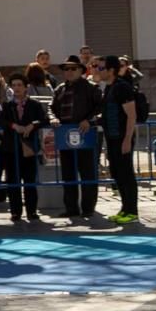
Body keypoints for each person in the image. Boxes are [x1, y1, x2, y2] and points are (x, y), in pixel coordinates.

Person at [49, 55, 102, 218]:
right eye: (66, 69)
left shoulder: (92, 88)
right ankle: (71, 209)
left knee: (88, 173)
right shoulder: (59, 89)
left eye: (73, 68)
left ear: (81, 70)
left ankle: (88, 209)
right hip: (66, 138)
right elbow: (51, 108)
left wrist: (89, 120)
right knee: (68, 174)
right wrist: (53, 118)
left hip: (87, 137)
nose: (69, 72)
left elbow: (101, 109)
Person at [0, 73, 49, 222]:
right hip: (11, 149)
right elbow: (0, 121)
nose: (17, 88)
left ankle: (32, 211)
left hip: (29, 147)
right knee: (13, 181)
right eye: (14, 85)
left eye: (19, 85)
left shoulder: (34, 104)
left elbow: (44, 119)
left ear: (26, 87)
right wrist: (14, 126)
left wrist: (32, 125)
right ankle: (15, 212)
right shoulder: (8, 105)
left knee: (29, 181)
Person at [100, 56, 139, 224]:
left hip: (122, 137)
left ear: (111, 70)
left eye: (101, 68)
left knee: (126, 174)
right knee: (116, 173)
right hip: (112, 137)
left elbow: (131, 115)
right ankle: (124, 209)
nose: (98, 71)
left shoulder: (122, 87)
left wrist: (127, 139)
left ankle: (132, 211)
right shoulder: (109, 88)